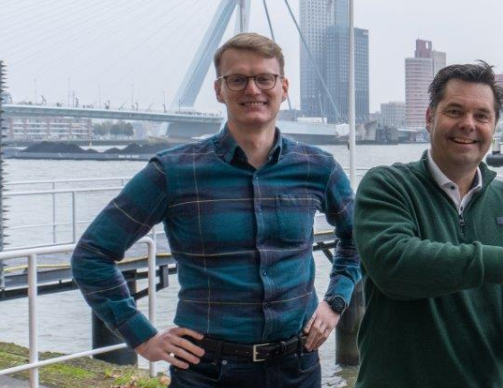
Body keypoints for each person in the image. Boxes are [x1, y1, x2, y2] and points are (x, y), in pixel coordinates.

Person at [71, 32, 360, 387]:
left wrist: (335, 302)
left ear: (283, 88)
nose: (252, 89)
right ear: (219, 90)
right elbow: (91, 255)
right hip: (207, 372)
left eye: (264, 78)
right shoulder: (173, 172)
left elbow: (357, 237)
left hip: (296, 368)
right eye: (237, 79)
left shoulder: (318, 167)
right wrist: (142, 337)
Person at [353, 61, 503, 388]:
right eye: (455, 111)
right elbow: (394, 265)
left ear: (495, 126)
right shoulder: (387, 185)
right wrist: (498, 263)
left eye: (482, 116)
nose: (468, 124)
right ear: (429, 117)